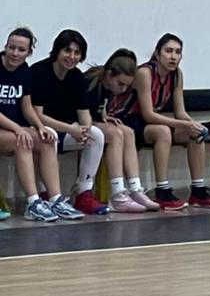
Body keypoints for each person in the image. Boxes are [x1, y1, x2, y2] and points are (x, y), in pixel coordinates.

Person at [23, 29, 108, 216]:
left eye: (77, 53)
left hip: (65, 129)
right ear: (57, 51)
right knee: (48, 136)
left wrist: (85, 129)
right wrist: (71, 129)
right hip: (39, 127)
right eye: (67, 51)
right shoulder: (39, 72)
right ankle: (46, 194)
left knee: (96, 135)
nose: (72, 57)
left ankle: (84, 192)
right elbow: (38, 116)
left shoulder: (76, 76)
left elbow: (84, 113)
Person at [131, 34, 210, 210]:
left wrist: (193, 124)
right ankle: (162, 191)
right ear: (158, 54)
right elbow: (148, 115)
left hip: (154, 123)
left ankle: (198, 190)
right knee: (163, 131)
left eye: (177, 52)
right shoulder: (145, 73)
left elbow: (180, 112)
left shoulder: (177, 75)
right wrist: (184, 124)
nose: (173, 56)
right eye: (168, 51)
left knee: (195, 133)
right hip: (133, 122)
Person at [0, 27, 77, 223]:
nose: (15, 53)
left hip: (11, 129)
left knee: (47, 138)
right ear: (5, 47)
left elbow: (26, 106)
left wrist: (40, 126)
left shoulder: (24, 70)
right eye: (11, 48)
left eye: (21, 50)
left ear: (29, 52)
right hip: (7, 129)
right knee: (22, 141)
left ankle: (55, 199)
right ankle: (33, 203)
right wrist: (18, 128)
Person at [86, 50, 160, 214]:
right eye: (121, 84)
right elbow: (81, 114)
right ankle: (117, 194)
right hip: (73, 122)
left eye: (127, 85)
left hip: (91, 120)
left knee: (128, 132)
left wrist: (105, 117)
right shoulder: (90, 83)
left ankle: (135, 189)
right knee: (115, 134)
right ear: (109, 75)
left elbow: (99, 108)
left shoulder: (108, 87)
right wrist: (99, 121)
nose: (123, 89)